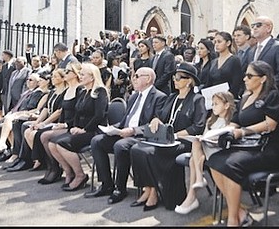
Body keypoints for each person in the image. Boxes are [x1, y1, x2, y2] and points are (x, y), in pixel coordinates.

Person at [208, 60, 279, 228]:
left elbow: (270, 124)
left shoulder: (272, 96)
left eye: (249, 75)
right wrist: (219, 131)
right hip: (247, 146)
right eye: (245, 75)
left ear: (263, 78)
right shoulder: (245, 97)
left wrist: (244, 131)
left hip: (269, 148)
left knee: (231, 164)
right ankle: (239, 212)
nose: (244, 78)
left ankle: (233, 220)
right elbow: (236, 122)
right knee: (214, 160)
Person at [129, 61, 207, 211]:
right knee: (137, 149)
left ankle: (157, 192)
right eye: (174, 77)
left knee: (150, 152)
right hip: (166, 139)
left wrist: (175, 135)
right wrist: (156, 120)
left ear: (189, 80)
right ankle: (150, 189)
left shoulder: (197, 99)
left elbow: (198, 126)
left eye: (179, 77)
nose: (175, 80)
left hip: (184, 141)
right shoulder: (172, 97)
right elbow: (160, 116)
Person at [86, 64, 165, 200]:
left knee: (120, 145)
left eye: (137, 76)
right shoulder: (133, 97)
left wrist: (133, 130)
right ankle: (106, 184)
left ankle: (120, 188)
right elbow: (124, 121)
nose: (133, 79)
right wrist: (112, 129)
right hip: (125, 133)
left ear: (148, 79)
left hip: (142, 136)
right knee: (97, 141)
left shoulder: (159, 97)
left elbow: (155, 125)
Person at [48, 62, 109, 190]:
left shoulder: (100, 92)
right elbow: (77, 113)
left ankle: (80, 175)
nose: (80, 76)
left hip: (94, 130)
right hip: (80, 129)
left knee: (61, 144)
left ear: (92, 77)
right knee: (52, 144)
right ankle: (69, 172)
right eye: (80, 74)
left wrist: (84, 129)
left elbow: (99, 116)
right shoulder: (83, 92)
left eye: (83, 74)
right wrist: (73, 127)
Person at [176, 90, 236, 215]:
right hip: (204, 150)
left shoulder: (231, 122)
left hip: (218, 151)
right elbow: (204, 137)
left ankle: (196, 186)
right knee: (196, 142)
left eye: (216, 104)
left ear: (226, 105)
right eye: (212, 104)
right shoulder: (210, 121)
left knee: (195, 156)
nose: (213, 107)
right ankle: (198, 179)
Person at [249, 16, 279, 90]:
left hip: (271, 93)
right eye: (253, 26)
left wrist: (267, 89)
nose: (254, 28)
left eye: (258, 25)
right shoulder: (252, 51)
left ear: (268, 28)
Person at [208, 31, 244, 97]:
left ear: (228, 43)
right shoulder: (214, 62)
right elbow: (209, 82)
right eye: (215, 42)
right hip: (214, 97)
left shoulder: (234, 60)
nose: (216, 44)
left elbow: (236, 83)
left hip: (228, 97)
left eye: (219, 42)